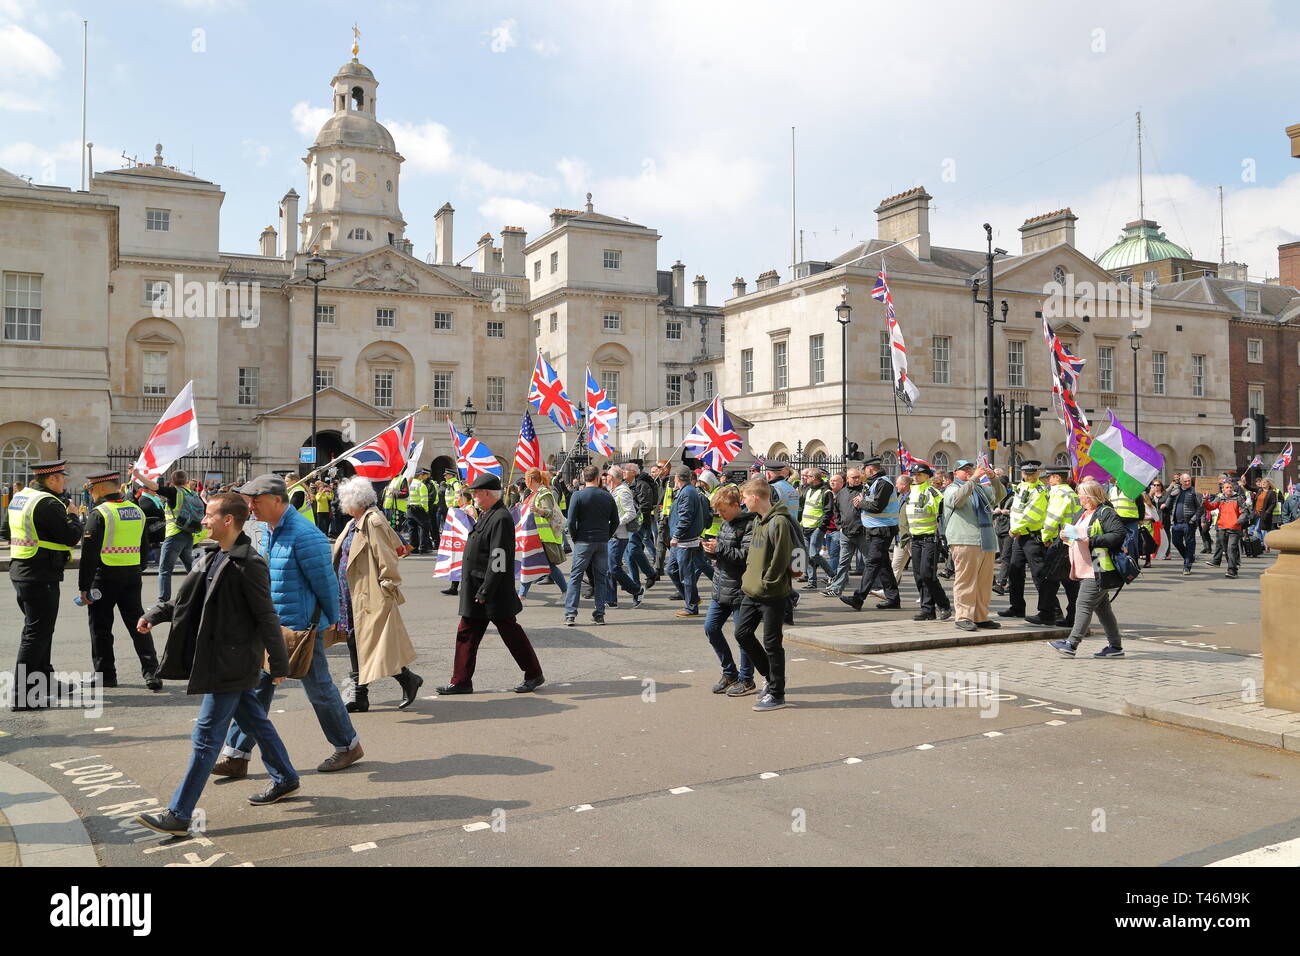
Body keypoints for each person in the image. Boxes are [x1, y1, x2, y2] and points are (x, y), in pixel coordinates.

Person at [133, 493, 300, 836]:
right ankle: (285, 777)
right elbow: (184, 601)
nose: (203, 521)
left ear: (228, 521)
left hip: (231, 662)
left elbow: (267, 616)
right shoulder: (209, 554)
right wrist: (155, 614)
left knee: (206, 737)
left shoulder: (248, 563)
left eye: (209, 515)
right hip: (214, 657)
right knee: (255, 720)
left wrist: (280, 665)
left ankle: (179, 814)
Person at [211, 474, 363, 778]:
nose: (250, 506)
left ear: (277, 501)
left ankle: (348, 746)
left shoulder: (305, 535)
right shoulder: (268, 529)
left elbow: (326, 584)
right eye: (249, 500)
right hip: (274, 627)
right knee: (257, 690)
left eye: (256, 500)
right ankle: (236, 755)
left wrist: (330, 623)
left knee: (319, 690)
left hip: (301, 630)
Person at [438, 473, 545, 694]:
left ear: (487, 493)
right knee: (467, 633)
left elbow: (499, 558)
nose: (473, 496)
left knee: (511, 634)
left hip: (491, 591)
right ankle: (461, 681)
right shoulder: (487, 514)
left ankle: (534, 674)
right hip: (477, 588)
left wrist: (486, 589)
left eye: (476, 493)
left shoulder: (501, 518)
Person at [332, 476, 422, 713]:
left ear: (355, 501)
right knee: (356, 640)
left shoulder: (372, 521)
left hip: (368, 592)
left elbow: (386, 556)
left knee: (369, 642)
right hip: (351, 592)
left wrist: (388, 587)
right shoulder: (355, 521)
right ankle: (369, 691)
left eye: (344, 500)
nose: (342, 505)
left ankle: (400, 681)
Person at [8, 460, 83, 711]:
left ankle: (45, 680)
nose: (64, 482)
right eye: (62, 478)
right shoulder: (48, 503)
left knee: (40, 631)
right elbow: (71, 537)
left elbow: (4, 531)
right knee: (36, 634)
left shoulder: (21, 497)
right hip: (40, 574)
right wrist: (74, 515)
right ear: (52, 480)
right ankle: (22, 695)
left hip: (23, 569)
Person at [79, 469, 162, 691]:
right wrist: (138, 567)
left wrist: (83, 587)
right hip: (132, 575)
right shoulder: (136, 510)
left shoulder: (100, 513)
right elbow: (144, 545)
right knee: (139, 624)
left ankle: (106, 675)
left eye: (93, 488)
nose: (92, 493)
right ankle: (152, 672)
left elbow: (88, 554)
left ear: (103, 487)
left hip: (104, 576)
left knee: (101, 627)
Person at [733, 476, 800, 712]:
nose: (743, 502)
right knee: (742, 634)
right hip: (752, 591)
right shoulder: (759, 520)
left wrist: (768, 581)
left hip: (772, 593)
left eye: (744, 497)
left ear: (755, 497)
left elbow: (782, 557)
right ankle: (770, 679)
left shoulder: (779, 522)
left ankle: (777, 693)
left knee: (772, 644)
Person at [1048, 479, 1128, 659]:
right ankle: (1116, 647)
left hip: (1098, 566)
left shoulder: (1106, 512)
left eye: (1081, 495)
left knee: (1083, 605)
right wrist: (1066, 536)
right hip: (1084, 567)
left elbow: (1117, 535)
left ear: (1090, 496)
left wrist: (1090, 539)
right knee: (1103, 610)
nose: (1079, 498)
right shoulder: (1082, 513)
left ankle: (1071, 644)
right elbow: (1076, 535)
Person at [701, 484, 758, 696]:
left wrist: (720, 549)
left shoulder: (750, 525)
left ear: (736, 505)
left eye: (723, 510)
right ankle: (729, 672)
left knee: (742, 635)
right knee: (710, 628)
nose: (720, 515)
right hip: (721, 585)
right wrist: (711, 552)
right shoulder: (726, 524)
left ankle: (746, 679)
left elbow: (744, 557)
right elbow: (724, 554)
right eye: (718, 511)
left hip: (740, 588)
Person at [943, 459, 1004, 631]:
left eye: (970, 468)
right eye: (964, 469)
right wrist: (974, 479)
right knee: (966, 580)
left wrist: (993, 479)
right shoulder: (952, 488)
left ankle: (980, 616)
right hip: (964, 540)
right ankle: (963, 616)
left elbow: (999, 496)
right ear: (955, 473)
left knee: (984, 582)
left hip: (985, 540)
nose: (969, 471)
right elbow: (957, 500)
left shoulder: (978, 489)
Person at [840, 458, 902, 612]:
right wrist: (862, 501)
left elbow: (877, 506)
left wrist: (860, 503)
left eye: (864, 468)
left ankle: (858, 598)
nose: (862, 472)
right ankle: (893, 599)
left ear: (870, 469)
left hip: (883, 529)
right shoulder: (872, 482)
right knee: (883, 565)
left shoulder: (884, 483)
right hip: (874, 529)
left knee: (872, 563)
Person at [135, 468, 201, 603]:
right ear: (187, 481)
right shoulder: (192, 493)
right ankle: (202, 592)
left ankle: (163, 601)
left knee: (165, 570)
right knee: (191, 567)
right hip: (188, 533)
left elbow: (155, 487)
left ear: (172, 482)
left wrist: (138, 475)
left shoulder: (174, 492)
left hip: (174, 534)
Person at [564, 464, 618, 625]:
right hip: (601, 540)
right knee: (600, 578)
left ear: (583, 478)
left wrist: (575, 537)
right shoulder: (607, 496)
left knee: (575, 577)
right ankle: (599, 613)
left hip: (583, 540)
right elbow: (615, 520)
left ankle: (570, 613)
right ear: (597, 478)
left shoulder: (578, 496)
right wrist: (606, 535)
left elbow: (571, 521)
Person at [903, 463, 952, 621]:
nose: (916, 477)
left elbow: (944, 512)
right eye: (914, 474)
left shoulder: (932, 492)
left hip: (930, 538)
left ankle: (943, 605)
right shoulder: (910, 492)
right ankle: (927, 609)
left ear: (927, 476)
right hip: (915, 539)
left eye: (919, 474)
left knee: (927, 574)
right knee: (919, 575)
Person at [1000, 461, 1048, 619]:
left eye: (1032, 474)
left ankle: (1050, 610)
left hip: (1032, 536)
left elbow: (1032, 514)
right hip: (1019, 536)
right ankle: (1017, 607)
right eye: (1026, 474)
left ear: (1038, 474)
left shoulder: (1039, 490)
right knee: (1015, 572)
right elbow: (1016, 511)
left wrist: (1015, 529)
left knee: (1039, 574)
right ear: (1022, 474)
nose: (1029, 477)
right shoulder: (1021, 487)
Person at [519, 468, 568, 599]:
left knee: (545, 565)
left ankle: (566, 591)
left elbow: (549, 512)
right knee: (531, 563)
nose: (525, 481)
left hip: (543, 536)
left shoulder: (544, 493)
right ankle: (522, 595)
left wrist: (537, 510)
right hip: (535, 536)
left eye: (526, 478)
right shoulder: (533, 494)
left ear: (531, 479)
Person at [668, 465, 710, 618]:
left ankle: (691, 606)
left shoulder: (688, 492)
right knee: (671, 570)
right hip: (682, 540)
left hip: (685, 540)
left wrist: (676, 535)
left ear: (677, 478)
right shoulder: (685, 491)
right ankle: (692, 598)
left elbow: (686, 517)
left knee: (687, 573)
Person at [604, 466, 644, 609]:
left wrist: (616, 523)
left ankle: (636, 590)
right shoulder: (612, 490)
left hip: (619, 535)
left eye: (607, 475)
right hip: (612, 535)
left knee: (614, 568)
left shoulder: (623, 491)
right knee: (609, 568)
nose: (605, 478)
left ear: (613, 478)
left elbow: (631, 513)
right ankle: (611, 599)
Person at [1205, 479, 1249, 578]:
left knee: (1231, 549)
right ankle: (1234, 565)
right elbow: (1210, 507)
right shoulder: (1220, 498)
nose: (1229, 489)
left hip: (1234, 528)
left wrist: (1238, 521)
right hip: (1222, 527)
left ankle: (1232, 570)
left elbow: (1244, 512)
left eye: (1230, 487)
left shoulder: (1238, 498)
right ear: (1223, 490)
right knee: (1226, 549)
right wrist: (1205, 499)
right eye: (1227, 488)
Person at [798, 469, 834, 591]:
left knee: (813, 554)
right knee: (808, 555)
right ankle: (812, 582)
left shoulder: (826, 492)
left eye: (807, 476)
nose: (805, 478)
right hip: (806, 526)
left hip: (817, 528)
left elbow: (828, 512)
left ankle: (833, 575)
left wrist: (821, 527)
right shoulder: (807, 489)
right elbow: (803, 507)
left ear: (814, 478)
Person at [625, 462, 658, 589]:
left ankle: (651, 573)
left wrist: (635, 520)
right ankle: (635, 584)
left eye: (626, 470)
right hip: (630, 522)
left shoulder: (642, 485)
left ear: (633, 472)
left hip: (639, 523)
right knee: (629, 554)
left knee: (633, 549)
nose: (623, 472)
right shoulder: (630, 484)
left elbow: (645, 506)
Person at [1162, 473, 1203, 576]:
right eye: (1185, 481)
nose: (1188, 482)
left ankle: (1187, 566)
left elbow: (1200, 507)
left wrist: (1193, 519)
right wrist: (1171, 496)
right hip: (1176, 523)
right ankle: (1189, 557)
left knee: (1190, 544)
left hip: (1189, 523)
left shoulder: (1195, 491)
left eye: (1189, 480)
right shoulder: (1176, 491)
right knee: (1176, 542)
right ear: (1181, 481)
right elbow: (1168, 505)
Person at [890, 473, 913, 583]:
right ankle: (889, 593)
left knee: (921, 570)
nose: (896, 486)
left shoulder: (913, 497)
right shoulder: (899, 497)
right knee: (895, 566)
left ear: (904, 485)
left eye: (897, 484)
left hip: (910, 537)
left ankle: (926, 595)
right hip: (900, 538)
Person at [406, 469, 435, 554]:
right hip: (419, 508)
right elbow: (424, 500)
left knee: (412, 529)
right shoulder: (421, 485)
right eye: (423, 475)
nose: (424, 476)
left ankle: (413, 548)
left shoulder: (409, 484)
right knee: (424, 528)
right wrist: (426, 510)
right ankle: (423, 547)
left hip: (409, 508)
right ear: (420, 475)